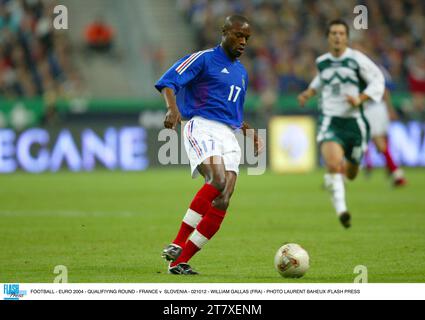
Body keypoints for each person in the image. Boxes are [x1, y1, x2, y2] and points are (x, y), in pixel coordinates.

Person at [155, 15, 263, 274]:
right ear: (224, 32)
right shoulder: (203, 59)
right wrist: (172, 109)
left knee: (224, 199)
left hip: (229, 135)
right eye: (238, 35)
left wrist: (250, 133)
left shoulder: (241, 72)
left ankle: (178, 262)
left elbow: (232, 112)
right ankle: (177, 243)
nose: (243, 42)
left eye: (246, 38)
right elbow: (168, 81)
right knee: (216, 180)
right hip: (201, 126)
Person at [298, 19, 385, 229]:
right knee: (333, 164)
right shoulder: (322, 61)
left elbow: (378, 80)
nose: (337, 37)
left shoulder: (357, 59)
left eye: (341, 33)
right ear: (328, 38)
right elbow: (321, 79)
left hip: (355, 124)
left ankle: (338, 179)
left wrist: (361, 99)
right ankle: (342, 210)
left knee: (352, 172)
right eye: (333, 33)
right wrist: (309, 92)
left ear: (346, 37)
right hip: (330, 121)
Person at [363, 88, 407, 186]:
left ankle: (396, 173)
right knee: (380, 142)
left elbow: (385, 91)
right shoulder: (378, 73)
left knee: (378, 143)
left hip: (372, 109)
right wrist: (389, 109)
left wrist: (390, 109)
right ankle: (391, 169)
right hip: (379, 108)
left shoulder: (365, 73)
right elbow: (385, 92)